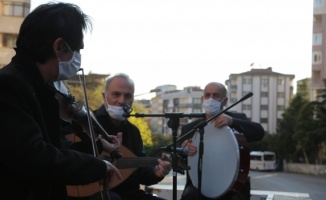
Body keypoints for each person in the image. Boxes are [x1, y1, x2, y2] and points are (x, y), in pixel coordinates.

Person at [0, 3, 121, 200]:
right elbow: (36, 158)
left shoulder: (40, 87)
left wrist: (98, 146)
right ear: (59, 47)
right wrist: (96, 166)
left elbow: (57, 149)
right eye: (77, 50)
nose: (78, 57)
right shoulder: (9, 85)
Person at [179, 82, 265, 200]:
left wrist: (232, 122)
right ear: (202, 99)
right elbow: (178, 162)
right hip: (198, 188)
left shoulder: (237, 119)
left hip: (233, 187)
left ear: (225, 101)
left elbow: (259, 133)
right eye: (207, 95)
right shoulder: (189, 128)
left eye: (216, 95)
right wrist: (183, 150)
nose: (211, 99)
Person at [92, 73, 172, 200]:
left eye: (127, 96)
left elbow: (141, 173)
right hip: (96, 194)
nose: (122, 101)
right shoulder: (88, 123)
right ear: (104, 96)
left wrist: (157, 173)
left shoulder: (133, 131)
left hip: (130, 195)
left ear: (133, 99)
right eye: (116, 94)